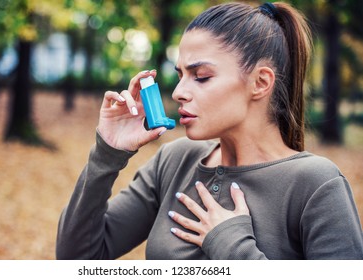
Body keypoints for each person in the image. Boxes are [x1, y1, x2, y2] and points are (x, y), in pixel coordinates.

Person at [56, 2, 363, 259]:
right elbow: (77, 258)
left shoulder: (316, 184)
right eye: (180, 75)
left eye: (201, 77)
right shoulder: (175, 161)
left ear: (260, 82)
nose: (178, 92)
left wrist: (232, 246)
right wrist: (107, 154)